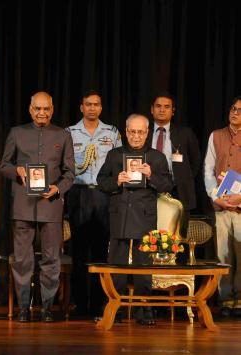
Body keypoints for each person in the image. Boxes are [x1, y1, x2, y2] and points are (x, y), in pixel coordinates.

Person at [0, 91, 74, 322]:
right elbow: (4, 165)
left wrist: (57, 189)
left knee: (51, 259)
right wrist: (16, 171)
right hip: (23, 205)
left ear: (52, 109)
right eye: (37, 109)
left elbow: (70, 173)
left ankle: (47, 307)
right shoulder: (17, 133)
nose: (42, 113)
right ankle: (23, 306)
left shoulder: (62, 135)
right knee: (23, 260)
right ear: (30, 109)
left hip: (50, 205)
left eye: (46, 109)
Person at [97, 114, 173, 325]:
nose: (136, 136)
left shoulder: (157, 157)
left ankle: (145, 309)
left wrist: (151, 176)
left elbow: (167, 185)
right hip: (120, 214)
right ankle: (116, 308)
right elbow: (101, 182)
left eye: (140, 132)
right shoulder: (114, 155)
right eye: (132, 131)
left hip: (144, 216)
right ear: (126, 131)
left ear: (147, 133)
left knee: (143, 266)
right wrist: (116, 180)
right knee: (117, 264)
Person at [66, 90, 122, 319]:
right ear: (81, 107)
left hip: (103, 195)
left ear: (101, 108)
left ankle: (100, 303)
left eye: (96, 104)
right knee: (78, 252)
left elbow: (119, 162)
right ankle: (80, 305)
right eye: (88, 104)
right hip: (78, 193)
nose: (92, 108)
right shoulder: (69, 133)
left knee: (101, 251)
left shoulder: (112, 132)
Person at [204, 96, 241, 318]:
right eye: (233, 108)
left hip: (240, 206)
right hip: (221, 206)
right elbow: (208, 170)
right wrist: (215, 196)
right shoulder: (216, 136)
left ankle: (240, 299)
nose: (235, 112)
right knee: (223, 255)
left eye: (240, 110)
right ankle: (225, 299)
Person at [148, 92, 201, 239]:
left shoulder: (185, 133)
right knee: (151, 236)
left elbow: (195, 162)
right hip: (149, 189)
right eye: (158, 106)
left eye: (167, 107)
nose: (162, 110)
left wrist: (183, 179)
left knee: (179, 237)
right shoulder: (143, 132)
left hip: (179, 191)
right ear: (152, 109)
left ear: (173, 111)